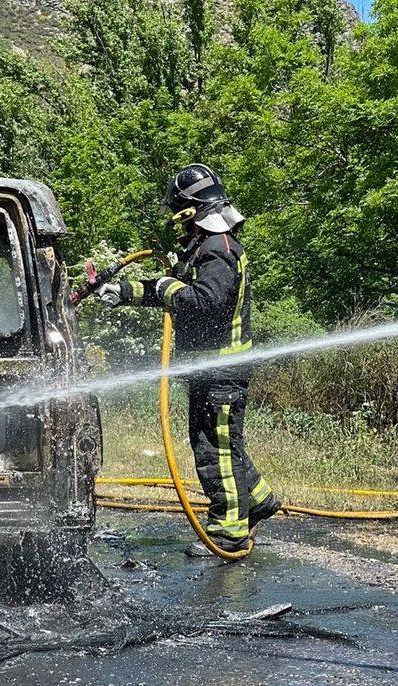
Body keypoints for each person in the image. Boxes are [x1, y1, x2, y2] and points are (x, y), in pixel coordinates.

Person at [96, 164, 281, 557]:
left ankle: (229, 529)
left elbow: (206, 302)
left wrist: (165, 287)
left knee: (216, 449)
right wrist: (125, 291)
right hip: (211, 368)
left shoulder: (218, 249)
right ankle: (259, 500)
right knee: (223, 441)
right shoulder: (207, 244)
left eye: (176, 211)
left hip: (221, 370)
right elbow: (175, 288)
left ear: (190, 209)